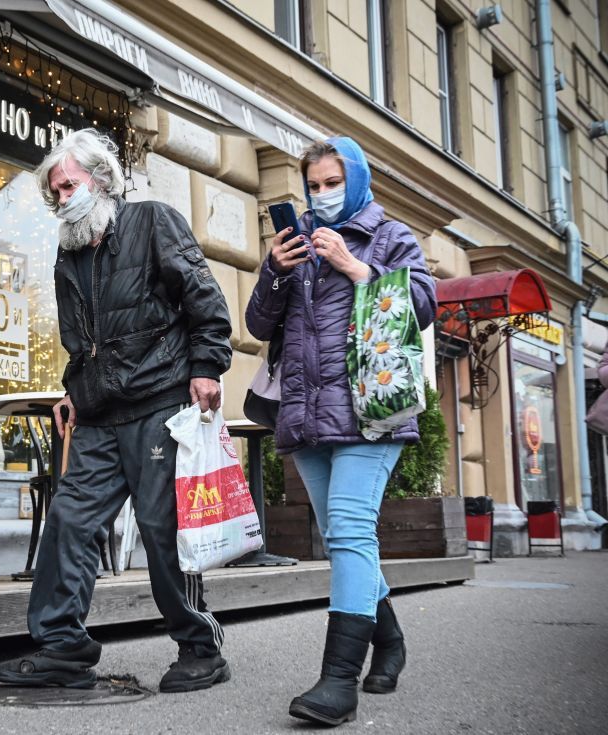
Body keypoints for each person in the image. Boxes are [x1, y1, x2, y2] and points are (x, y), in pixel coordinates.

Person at [0, 129, 233, 692]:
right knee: (70, 520)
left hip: (159, 401)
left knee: (159, 527)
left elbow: (205, 299)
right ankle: (62, 648)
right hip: (100, 413)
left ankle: (200, 647)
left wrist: (207, 366)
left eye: (68, 185)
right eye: (54, 192)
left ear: (100, 180)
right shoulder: (69, 252)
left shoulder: (153, 221)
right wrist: (74, 391)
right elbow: (80, 339)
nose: (61, 198)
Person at [245, 137, 437, 726]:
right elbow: (257, 324)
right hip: (305, 415)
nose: (323, 195)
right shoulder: (295, 239)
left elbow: (425, 305)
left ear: (354, 180)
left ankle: (337, 682)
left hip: (369, 411)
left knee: (351, 530)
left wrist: (356, 267)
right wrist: (277, 271)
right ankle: (391, 639)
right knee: (341, 536)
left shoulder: (390, 236)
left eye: (333, 183)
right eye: (314, 186)